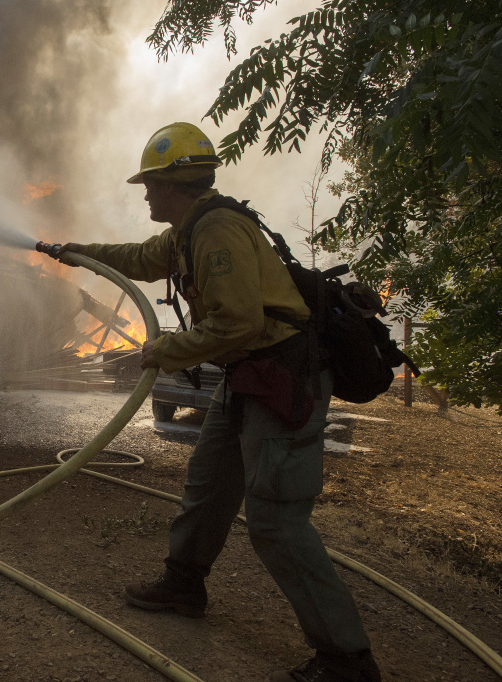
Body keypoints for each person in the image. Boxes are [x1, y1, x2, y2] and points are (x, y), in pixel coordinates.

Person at [59, 122, 381, 682]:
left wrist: (165, 350)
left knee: (276, 518)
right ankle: (183, 585)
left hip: (281, 379)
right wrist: (80, 254)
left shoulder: (217, 231)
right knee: (209, 485)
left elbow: (238, 322)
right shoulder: (187, 230)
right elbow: (140, 258)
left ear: (174, 183)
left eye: (150, 184)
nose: (145, 193)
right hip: (248, 375)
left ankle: (345, 658)